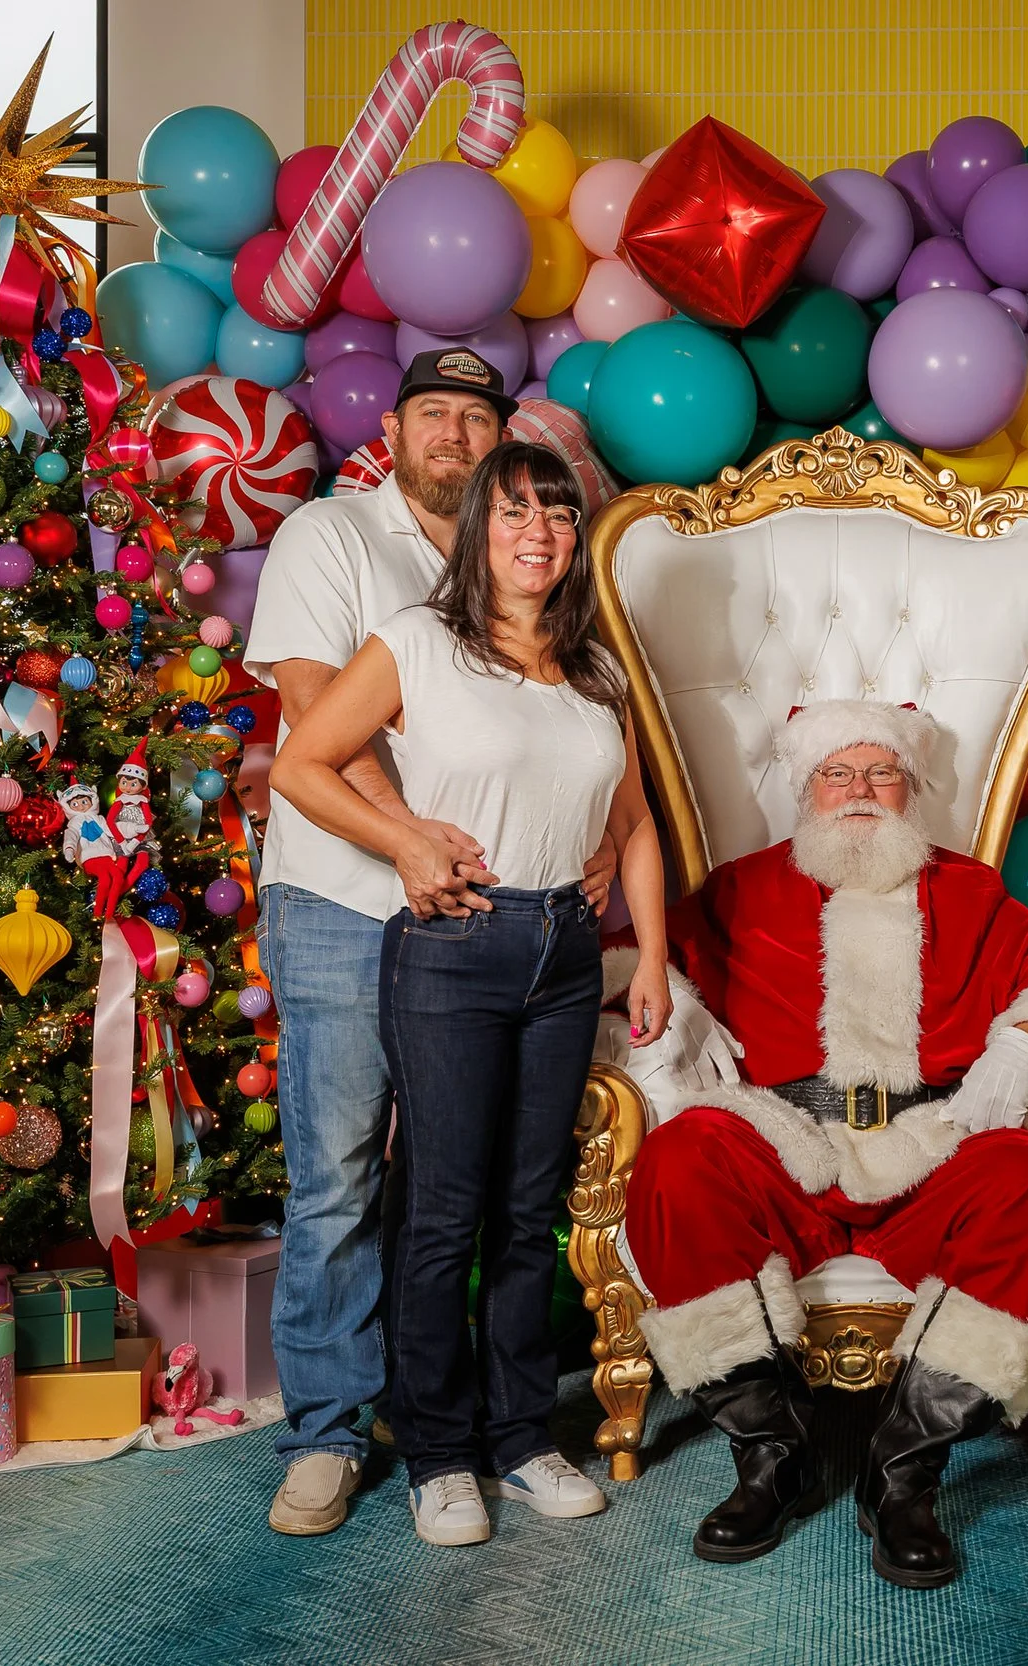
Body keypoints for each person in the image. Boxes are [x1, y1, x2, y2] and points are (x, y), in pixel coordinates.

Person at [598, 700, 1028, 1589]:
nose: (859, 791)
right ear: (806, 789)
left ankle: (903, 1472)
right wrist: (673, 993)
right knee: (681, 1156)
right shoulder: (744, 888)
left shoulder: (968, 891)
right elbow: (626, 955)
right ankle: (770, 1456)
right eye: (838, 773)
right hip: (785, 1145)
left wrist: (1027, 1040)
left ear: (911, 788)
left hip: (930, 1147)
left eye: (881, 773)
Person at [270, 440, 671, 1548]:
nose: (539, 531)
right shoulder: (418, 641)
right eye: (514, 512)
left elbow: (634, 823)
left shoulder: (596, 672)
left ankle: (521, 1437)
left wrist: (655, 955)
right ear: (478, 530)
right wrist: (403, 840)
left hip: (564, 950)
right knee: (442, 1211)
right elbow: (301, 765)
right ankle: (438, 1453)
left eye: (558, 513)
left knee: (529, 1208)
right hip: (453, 946)